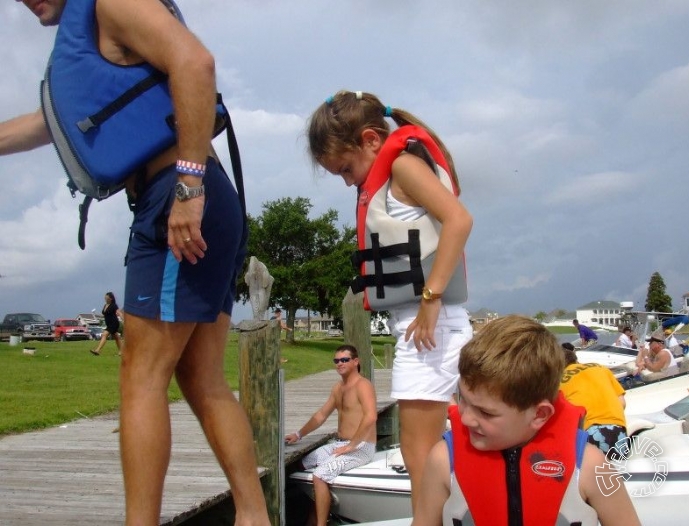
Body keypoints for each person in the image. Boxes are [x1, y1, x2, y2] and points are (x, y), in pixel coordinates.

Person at [0, 2, 269, 525]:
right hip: (202, 197)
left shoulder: (111, 2)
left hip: (181, 196)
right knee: (201, 377)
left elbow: (195, 63)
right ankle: (253, 517)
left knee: (140, 375)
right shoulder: (94, 35)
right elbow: (50, 125)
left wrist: (188, 189)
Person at [307, 90, 473, 511]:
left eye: (345, 168)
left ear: (370, 140)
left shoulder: (402, 165)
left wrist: (431, 299)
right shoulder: (394, 170)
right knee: (427, 453)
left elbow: (459, 220)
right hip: (430, 331)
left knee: (418, 458)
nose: (347, 180)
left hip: (430, 335)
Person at [412, 315, 640, 526]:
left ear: (540, 415)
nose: (466, 418)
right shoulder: (443, 460)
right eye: (463, 399)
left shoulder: (590, 466)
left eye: (486, 413)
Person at [285, 345, 377, 526]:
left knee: (320, 474)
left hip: (361, 447)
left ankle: (321, 523)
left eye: (344, 360)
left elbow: (371, 417)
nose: (339, 364)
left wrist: (351, 446)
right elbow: (321, 415)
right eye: (336, 361)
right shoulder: (338, 388)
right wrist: (298, 434)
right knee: (303, 464)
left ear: (356, 362)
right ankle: (314, 512)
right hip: (339, 444)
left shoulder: (363, 385)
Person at [560, 342, 627, 453]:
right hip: (618, 428)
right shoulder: (600, 367)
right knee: (612, 468)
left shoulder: (559, 380)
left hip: (588, 431)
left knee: (588, 469)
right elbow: (622, 403)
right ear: (576, 359)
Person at [90, 292, 123, 356]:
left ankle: (97, 350)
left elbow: (119, 313)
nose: (105, 299)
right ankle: (121, 352)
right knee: (117, 338)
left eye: (107, 298)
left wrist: (124, 320)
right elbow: (104, 315)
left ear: (111, 298)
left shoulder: (114, 305)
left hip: (114, 323)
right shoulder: (105, 305)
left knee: (104, 335)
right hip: (109, 324)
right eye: (105, 298)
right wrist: (96, 315)